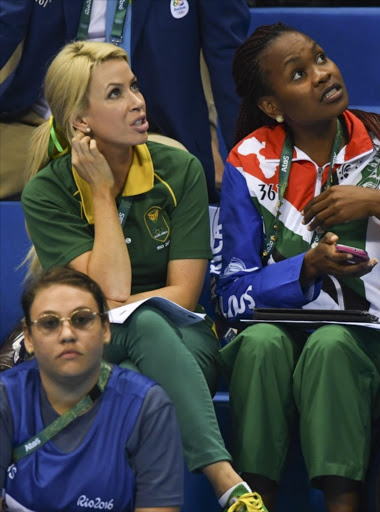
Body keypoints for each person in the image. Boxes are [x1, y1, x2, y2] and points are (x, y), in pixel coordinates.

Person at [212, 23, 380, 512]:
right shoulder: (248, 161)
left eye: (320, 58)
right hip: (283, 338)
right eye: (299, 73)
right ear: (272, 106)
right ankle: (255, 504)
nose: (322, 74)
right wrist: (306, 269)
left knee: (331, 345)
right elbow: (231, 294)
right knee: (257, 344)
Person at [20, 41, 267, 512]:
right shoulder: (46, 192)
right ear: (81, 122)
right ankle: (226, 482)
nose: (137, 101)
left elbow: (185, 292)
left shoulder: (180, 168)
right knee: (141, 327)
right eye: (115, 93)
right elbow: (107, 293)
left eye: (134, 86)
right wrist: (101, 195)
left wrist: (118, 307)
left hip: (185, 335)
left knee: (134, 369)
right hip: (94, 338)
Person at [0, 0, 250, 201]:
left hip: (146, 130)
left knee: (174, 174)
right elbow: (5, 23)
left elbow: (229, 63)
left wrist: (249, 164)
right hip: (41, 123)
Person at [0, 266, 184, 511]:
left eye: (82, 319)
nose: (67, 334)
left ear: (106, 328)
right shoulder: (6, 398)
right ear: (29, 338)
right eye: (49, 323)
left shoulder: (148, 406)